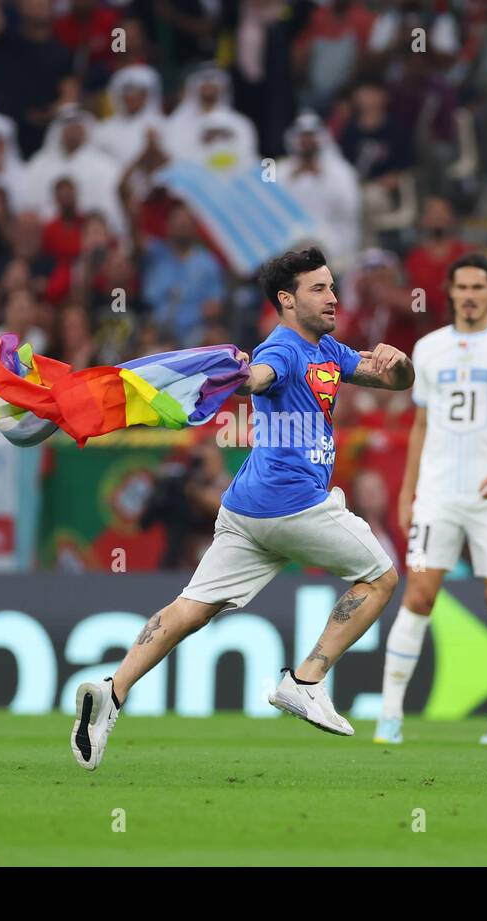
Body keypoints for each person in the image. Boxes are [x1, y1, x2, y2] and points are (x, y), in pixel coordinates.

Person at [70, 247, 413, 771]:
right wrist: (241, 376)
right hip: (292, 505)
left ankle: (110, 692)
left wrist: (398, 362)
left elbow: (390, 379)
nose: (332, 297)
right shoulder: (282, 350)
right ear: (286, 300)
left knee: (193, 607)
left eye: (331, 286)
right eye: (318, 289)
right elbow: (261, 377)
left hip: (246, 508)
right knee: (383, 576)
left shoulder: (328, 351)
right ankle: (306, 681)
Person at [375, 254, 487, 746]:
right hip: (439, 493)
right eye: (461, 287)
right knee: (420, 594)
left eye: (478, 286)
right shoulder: (428, 350)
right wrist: (408, 491)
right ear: (450, 293)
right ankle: (390, 716)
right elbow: (421, 424)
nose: (469, 294)